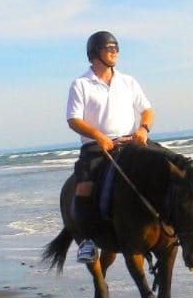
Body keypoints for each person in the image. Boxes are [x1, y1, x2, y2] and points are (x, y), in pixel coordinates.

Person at [65, 30, 155, 261]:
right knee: (84, 186)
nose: (115, 52)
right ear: (96, 52)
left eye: (116, 48)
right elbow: (73, 119)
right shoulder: (81, 84)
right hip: (97, 147)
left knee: (165, 167)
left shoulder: (128, 81)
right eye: (110, 48)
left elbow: (146, 110)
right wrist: (98, 136)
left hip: (130, 141)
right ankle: (87, 241)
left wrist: (143, 129)